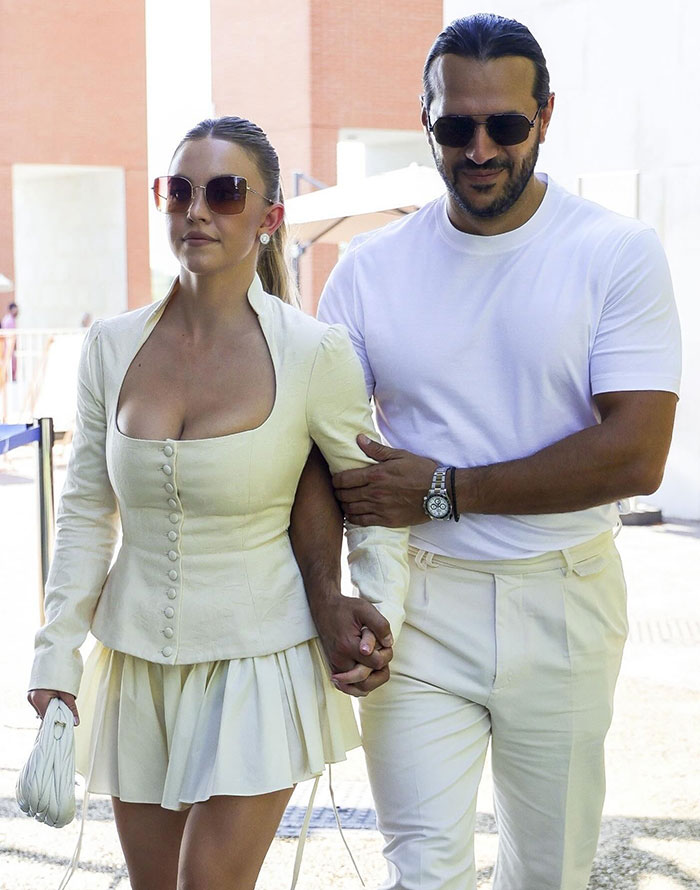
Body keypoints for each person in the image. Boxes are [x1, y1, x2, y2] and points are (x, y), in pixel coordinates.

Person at [313, 14, 682, 890]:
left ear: (544, 117)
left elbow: (637, 453)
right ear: (428, 120)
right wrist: (327, 596)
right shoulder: (367, 270)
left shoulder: (615, 252)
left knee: (548, 874)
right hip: (417, 610)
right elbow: (315, 454)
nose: (479, 148)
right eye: (455, 126)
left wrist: (445, 490)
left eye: (504, 125)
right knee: (424, 876)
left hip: (563, 600)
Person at [27, 116, 409, 890]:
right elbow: (86, 511)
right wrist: (56, 651)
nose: (197, 211)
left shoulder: (313, 353)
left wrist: (379, 613)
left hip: (259, 663)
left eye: (226, 193)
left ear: (269, 219)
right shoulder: (111, 345)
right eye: (179, 192)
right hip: (136, 666)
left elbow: (370, 498)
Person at [1, 301, 19, 381]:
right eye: (16, 309)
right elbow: (10, 336)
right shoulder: (9, 320)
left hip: (7, 346)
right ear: (12, 310)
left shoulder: (8, 319)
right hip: (7, 346)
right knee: (10, 364)